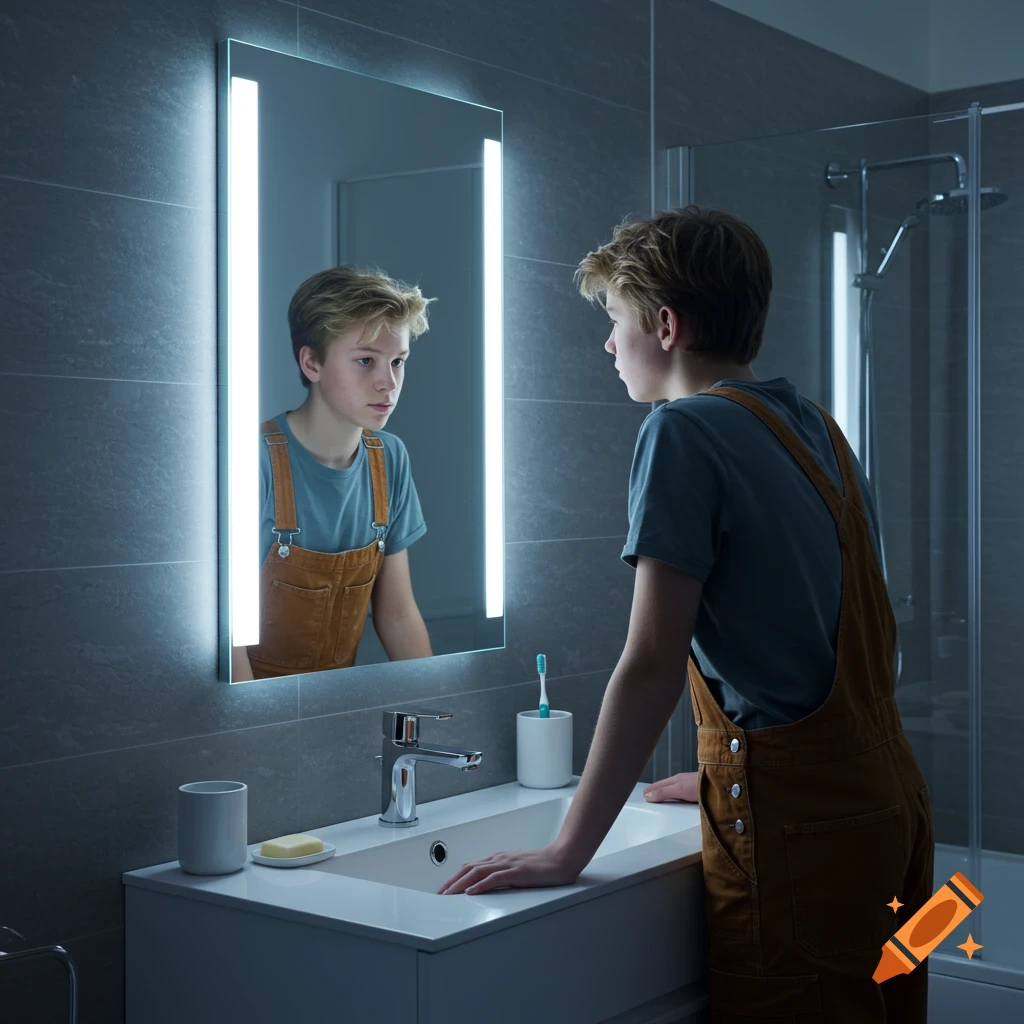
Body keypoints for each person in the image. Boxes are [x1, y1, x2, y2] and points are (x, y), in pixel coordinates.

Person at [437, 206, 935, 1023]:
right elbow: (825, 635)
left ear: (664, 324)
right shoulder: (817, 429)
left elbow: (651, 662)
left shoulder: (683, 430)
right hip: (895, 813)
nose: (608, 344)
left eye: (614, 320)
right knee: (885, 1009)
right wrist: (726, 768)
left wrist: (568, 849)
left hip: (802, 835)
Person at [232, 266, 435, 681]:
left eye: (398, 361)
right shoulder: (252, 461)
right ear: (312, 363)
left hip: (334, 709)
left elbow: (397, 616)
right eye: (366, 361)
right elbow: (227, 637)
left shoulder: (389, 458)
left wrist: (438, 700)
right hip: (252, 713)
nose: (388, 383)